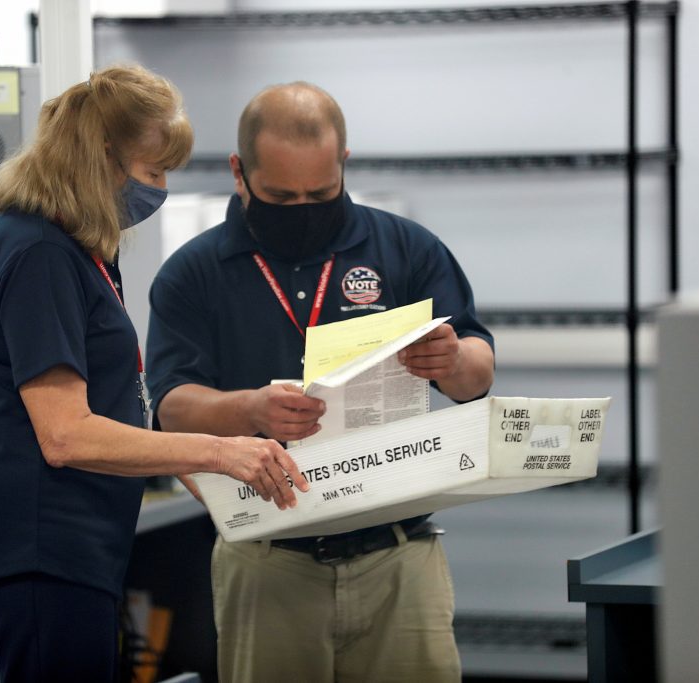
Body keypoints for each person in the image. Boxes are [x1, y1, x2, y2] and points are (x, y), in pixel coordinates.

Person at [0, 64, 309, 683]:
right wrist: (220, 452)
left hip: (73, 546)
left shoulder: (77, 250)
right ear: (101, 159)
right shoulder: (38, 253)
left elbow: (112, 409)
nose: (159, 189)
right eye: (153, 172)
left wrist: (225, 491)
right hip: (40, 546)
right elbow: (66, 435)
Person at [146, 81, 495, 683]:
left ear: (345, 167)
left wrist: (453, 360)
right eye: (281, 195)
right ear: (239, 172)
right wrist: (251, 408)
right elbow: (173, 408)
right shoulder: (193, 274)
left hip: (399, 555)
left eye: (322, 192)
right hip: (267, 558)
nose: (304, 208)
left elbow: (477, 374)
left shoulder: (405, 248)